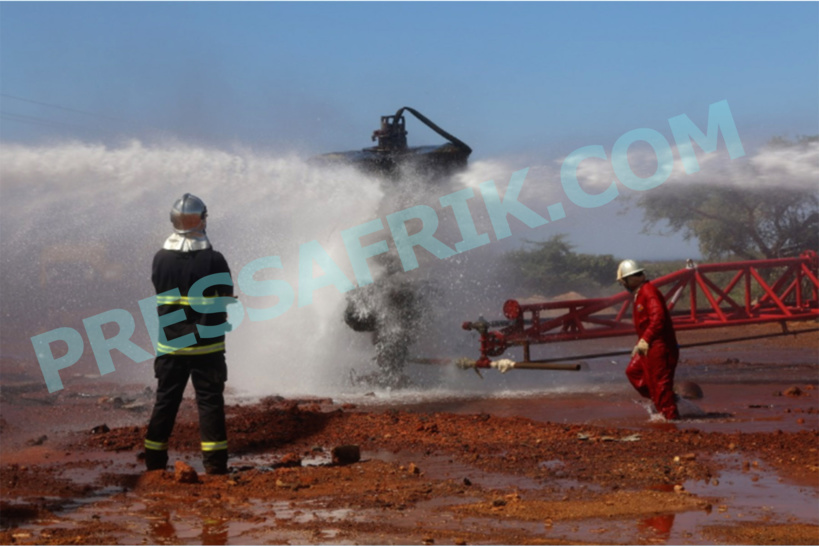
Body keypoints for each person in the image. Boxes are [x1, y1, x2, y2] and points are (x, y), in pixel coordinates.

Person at [144, 193, 234, 474]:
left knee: (165, 403)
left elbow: (161, 293)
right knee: (210, 404)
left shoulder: (160, 259)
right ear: (202, 220)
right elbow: (226, 297)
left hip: (171, 346)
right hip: (207, 348)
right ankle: (216, 465)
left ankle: (155, 463)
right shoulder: (215, 260)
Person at [617, 259, 680, 420]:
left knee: (660, 384)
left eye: (623, 282)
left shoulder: (648, 292)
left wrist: (645, 339)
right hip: (650, 345)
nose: (623, 285)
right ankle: (666, 400)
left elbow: (658, 317)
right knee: (634, 371)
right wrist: (642, 342)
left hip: (660, 346)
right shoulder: (641, 293)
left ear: (629, 279)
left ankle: (670, 421)